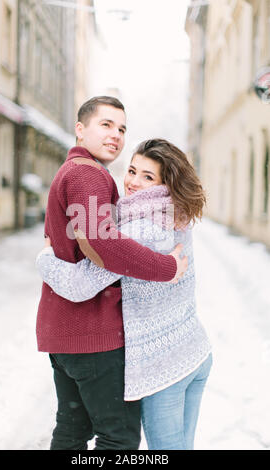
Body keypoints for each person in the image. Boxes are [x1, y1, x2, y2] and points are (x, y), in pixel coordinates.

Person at [36, 138, 212, 450]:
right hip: (195, 352)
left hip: (166, 367)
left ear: (165, 183)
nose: (132, 182)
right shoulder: (176, 213)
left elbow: (79, 285)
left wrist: (45, 260)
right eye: (132, 171)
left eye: (148, 177)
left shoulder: (140, 228)